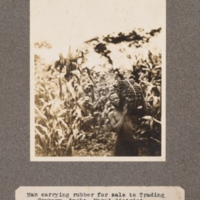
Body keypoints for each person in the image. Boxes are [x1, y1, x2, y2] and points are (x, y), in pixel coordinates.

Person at [108, 92, 141, 156]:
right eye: (113, 99)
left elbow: (142, 113)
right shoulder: (111, 114)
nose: (115, 100)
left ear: (120, 98)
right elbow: (116, 129)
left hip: (132, 141)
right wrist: (124, 114)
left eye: (116, 98)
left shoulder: (128, 109)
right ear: (111, 102)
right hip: (121, 143)